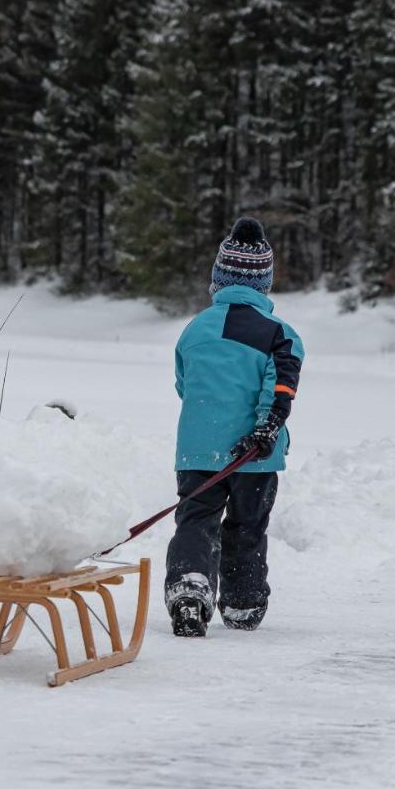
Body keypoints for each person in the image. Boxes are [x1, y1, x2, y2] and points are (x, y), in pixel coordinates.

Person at [166, 217, 304, 637]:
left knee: (195, 520)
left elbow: (183, 384)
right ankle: (243, 604)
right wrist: (265, 430)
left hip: (198, 450)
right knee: (246, 525)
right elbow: (280, 390)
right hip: (254, 456)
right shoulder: (279, 333)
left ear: (219, 278)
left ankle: (190, 590)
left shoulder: (194, 329)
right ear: (264, 282)